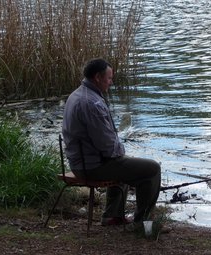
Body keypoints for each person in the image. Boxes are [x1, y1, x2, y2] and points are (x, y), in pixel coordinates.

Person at [62, 58, 161, 226]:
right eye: (109, 78)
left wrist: (120, 155)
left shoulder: (78, 94)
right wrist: (121, 151)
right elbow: (108, 147)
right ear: (97, 77)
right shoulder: (91, 103)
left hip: (80, 162)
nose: (111, 82)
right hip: (91, 168)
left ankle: (112, 216)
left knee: (123, 163)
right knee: (151, 169)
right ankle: (144, 224)